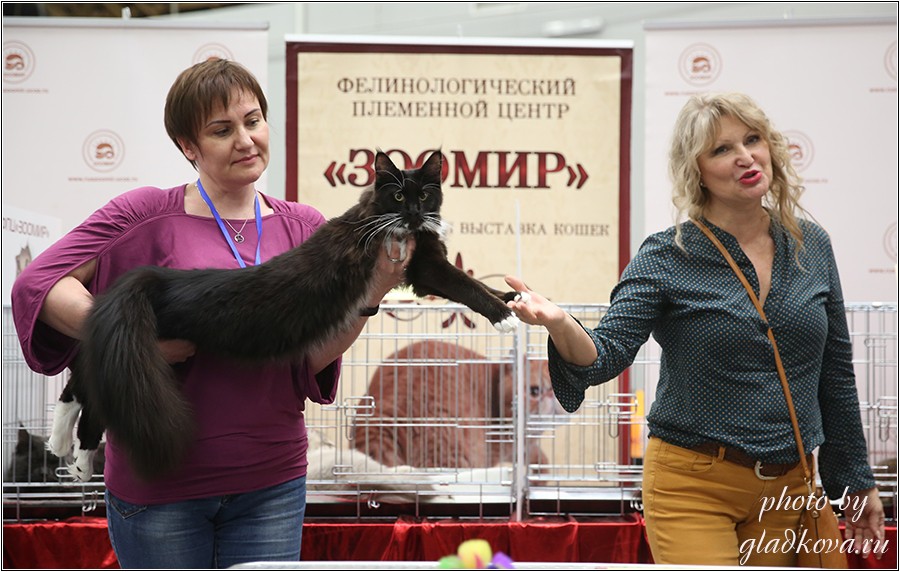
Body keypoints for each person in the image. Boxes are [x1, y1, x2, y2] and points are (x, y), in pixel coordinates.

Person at [11, 58, 410, 568]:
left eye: (253, 121)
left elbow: (308, 359)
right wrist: (133, 341)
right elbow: (39, 284)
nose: (245, 140)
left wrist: (373, 291)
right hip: (160, 489)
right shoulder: (143, 215)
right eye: (222, 131)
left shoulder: (305, 228)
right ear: (189, 147)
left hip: (271, 484)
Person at [506, 92, 885, 566]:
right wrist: (561, 323)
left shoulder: (811, 244)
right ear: (697, 171)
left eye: (752, 140)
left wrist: (855, 482)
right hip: (692, 486)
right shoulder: (667, 255)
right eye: (722, 149)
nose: (745, 157)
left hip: (789, 489)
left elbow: (835, 374)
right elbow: (606, 354)